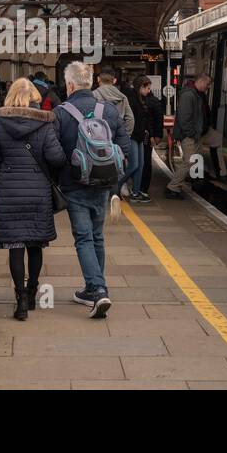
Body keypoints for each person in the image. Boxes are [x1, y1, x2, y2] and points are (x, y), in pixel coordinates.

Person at [0, 78, 66, 321]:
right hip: (38, 192)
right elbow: (56, 158)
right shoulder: (45, 124)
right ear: (34, 99)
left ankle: (19, 300)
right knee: (35, 244)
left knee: (15, 247)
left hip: (9, 191)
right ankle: (32, 292)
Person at [54, 60, 130, 318]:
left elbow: (53, 153)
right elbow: (125, 147)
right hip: (103, 182)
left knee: (84, 238)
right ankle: (94, 287)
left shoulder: (62, 112)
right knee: (97, 237)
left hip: (74, 184)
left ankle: (97, 290)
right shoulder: (108, 110)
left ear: (71, 84)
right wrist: (116, 182)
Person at [93, 68, 136, 212]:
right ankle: (114, 195)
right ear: (114, 81)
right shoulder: (122, 97)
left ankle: (100, 199)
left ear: (98, 80)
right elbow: (130, 119)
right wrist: (125, 134)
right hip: (116, 140)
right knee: (116, 169)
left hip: (98, 140)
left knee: (97, 167)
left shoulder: (94, 96)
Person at [165, 74, 211, 199]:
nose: (207, 88)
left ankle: (188, 182)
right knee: (189, 161)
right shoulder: (189, 95)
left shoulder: (195, 94)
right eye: (207, 85)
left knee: (193, 159)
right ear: (201, 81)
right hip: (188, 135)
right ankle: (173, 187)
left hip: (194, 134)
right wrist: (192, 133)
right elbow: (185, 118)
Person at [121, 75, 151, 203]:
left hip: (139, 135)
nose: (149, 91)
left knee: (141, 164)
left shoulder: (142, 99)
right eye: (147, 88)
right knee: (134, 164)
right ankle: (116, 184)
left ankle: (136, 192)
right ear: (140, 87)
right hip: (132, 135)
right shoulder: (131, 99)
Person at [138, 77, 164, 200]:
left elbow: (157, 120)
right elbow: (159, 120)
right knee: (145, 162)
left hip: (146, 136)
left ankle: (140, 188)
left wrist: (156, 135)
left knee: (143, 162)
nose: (147, 90)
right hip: (146, 135)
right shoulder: (154, 101)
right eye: (146, 87)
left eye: (148, 88)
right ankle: (142, 188)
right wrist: (158, 135)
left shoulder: (150, 102)